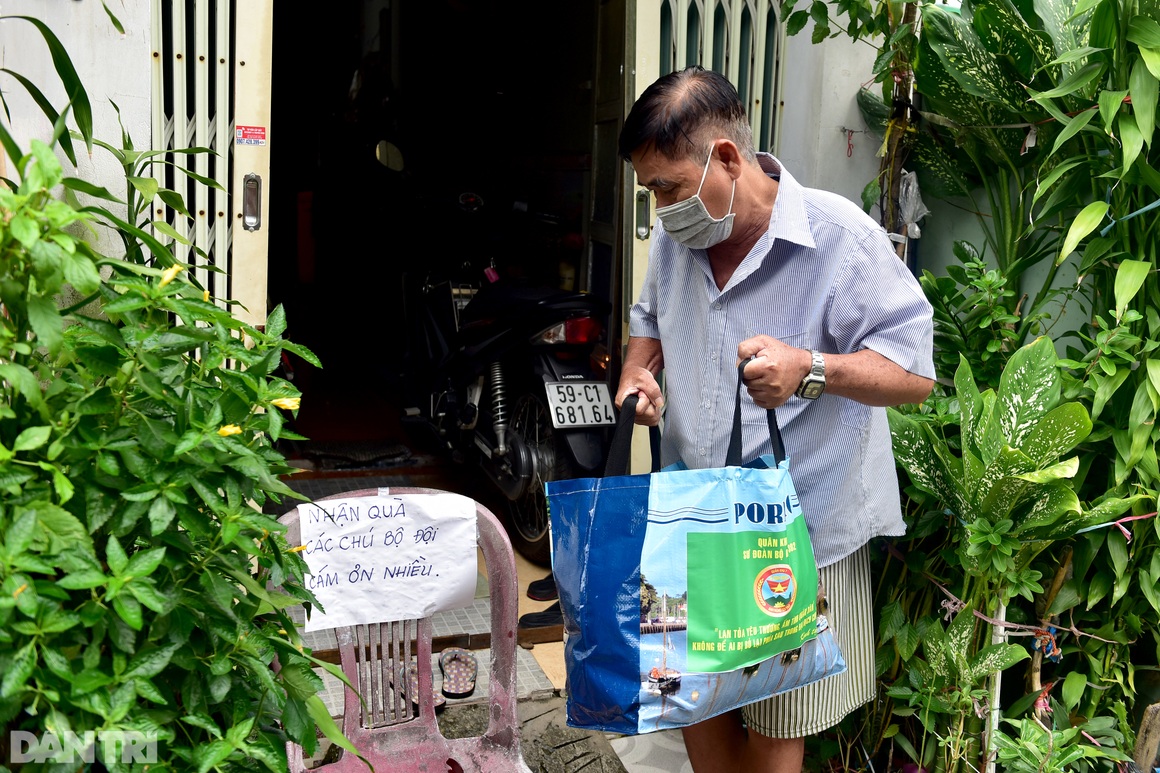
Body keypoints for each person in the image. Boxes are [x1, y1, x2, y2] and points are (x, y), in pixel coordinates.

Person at [615, 66, 935, 773]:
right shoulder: (678, 237)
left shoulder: (840, 238)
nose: (661, 208)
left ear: (726, 159)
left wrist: (811, 368)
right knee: (692, 698)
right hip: (689, 521)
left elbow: (915, 373)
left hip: (795, 534)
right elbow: (649, 320)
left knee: (776, 725)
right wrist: (639, 371)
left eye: (668, 187)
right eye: (652, 192)